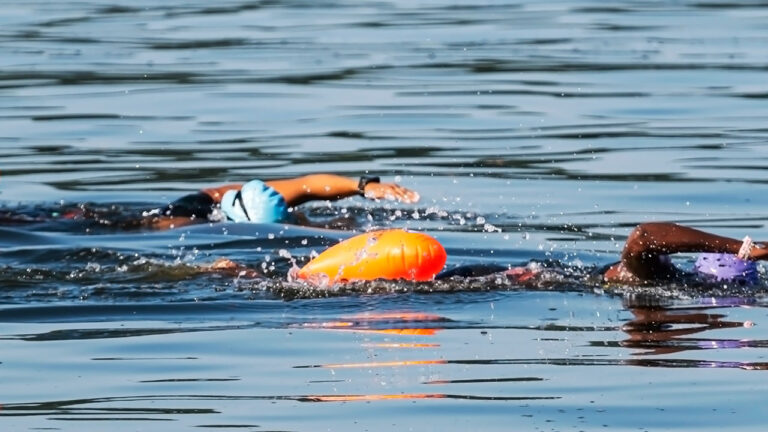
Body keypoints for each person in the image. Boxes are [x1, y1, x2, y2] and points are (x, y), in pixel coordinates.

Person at [142, 174, 419, 230]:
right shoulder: (182, 221)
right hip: (183, 218)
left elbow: (307, 185)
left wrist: (363, 186)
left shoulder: (266, 200)